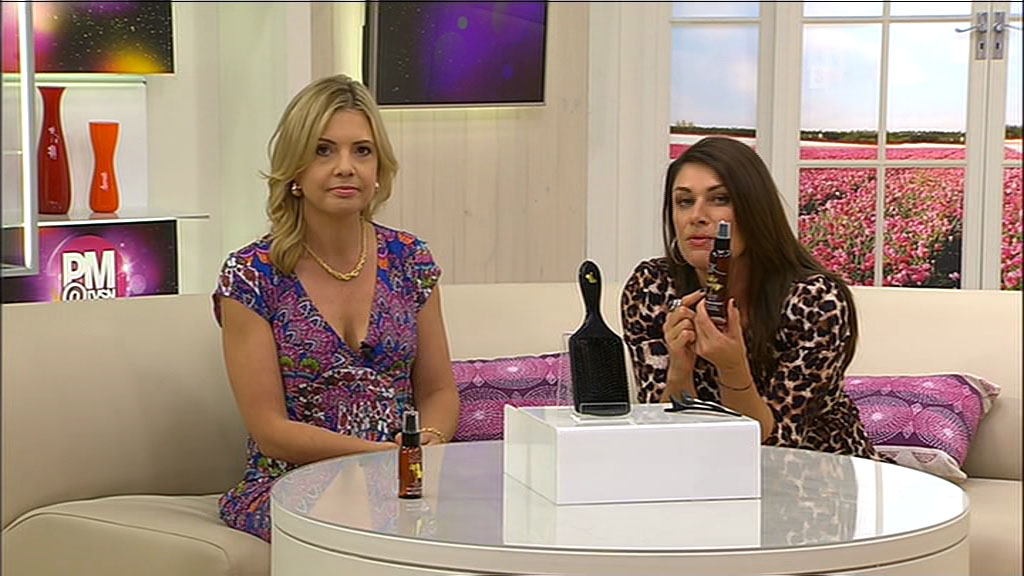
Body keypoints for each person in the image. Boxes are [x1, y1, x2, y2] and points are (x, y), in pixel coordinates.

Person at [212, 74, 460, 541]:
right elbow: (270, 430)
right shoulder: (251, 274)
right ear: (295, 170)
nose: (346, 167)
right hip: (290, 480)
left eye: (362, 151)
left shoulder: (411, 260)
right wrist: (378, 458)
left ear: (379, 168)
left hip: (401, 478)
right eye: (323, 151)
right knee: (360, 507)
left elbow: (438, 390)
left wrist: (428, 443)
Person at [620, 136, 881, 460]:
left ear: (755, 211)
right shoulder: (651, 288)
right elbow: (662, 436)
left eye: (720, 199)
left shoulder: (815, 301)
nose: (696, 216)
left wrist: (732, 367)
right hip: (702, 467)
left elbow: (775, 446)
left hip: (814, 471)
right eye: (684, 201)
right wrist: (680, 370)